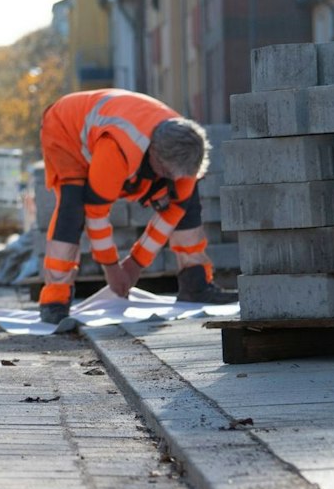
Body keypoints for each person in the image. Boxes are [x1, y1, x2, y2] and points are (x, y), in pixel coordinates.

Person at [36, 88, 238, 326]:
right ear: (154, 155)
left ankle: (196, 284)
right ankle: (55, 300)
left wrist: (135, 264)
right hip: (65, 129)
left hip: (119, 132)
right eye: (167, 173)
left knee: (187, 201)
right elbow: (96, 212)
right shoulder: (118, 148)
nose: (174, 179)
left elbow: (173, 213)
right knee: (73, 206)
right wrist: (112, 268)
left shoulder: (186, 150)